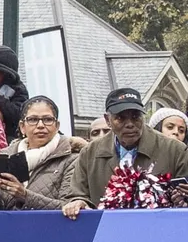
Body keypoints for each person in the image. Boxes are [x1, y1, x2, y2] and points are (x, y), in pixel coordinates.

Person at [64, 88, 188, 218]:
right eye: (121, 118)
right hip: (105, 227)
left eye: (135, 117)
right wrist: (78, 202)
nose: (129, 124)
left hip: (159, 226)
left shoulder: (175, 150)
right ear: (108, 120)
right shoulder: (90, 153)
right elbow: (77, 194)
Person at [0, 96, 80, 211]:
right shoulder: (6, 156)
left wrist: (25, 196)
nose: (40, 125)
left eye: (48, 119)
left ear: (57, 126)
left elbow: (69, 208)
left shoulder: (72, 160)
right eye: (33, 120)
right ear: (22, 127)